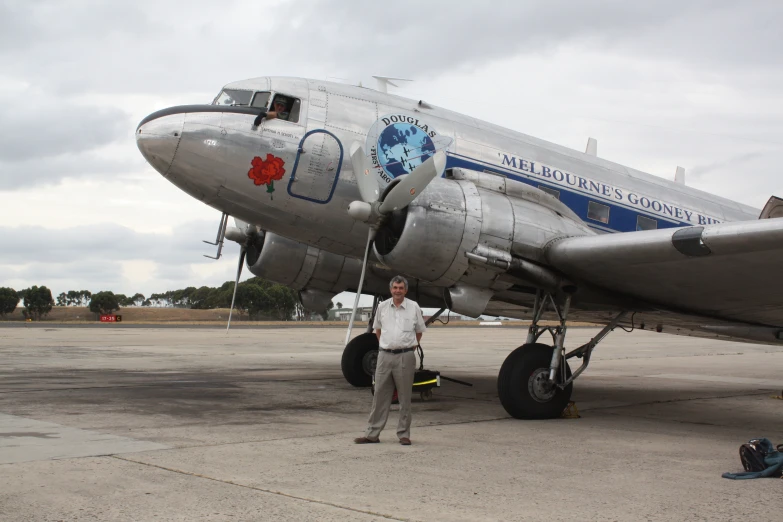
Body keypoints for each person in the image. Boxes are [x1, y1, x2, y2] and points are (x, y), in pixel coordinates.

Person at [354, 275, 426, 446]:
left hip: (405, 356)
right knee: (379, 395)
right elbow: (377, 329)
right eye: (395, 288)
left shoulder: (413, 307)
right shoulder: (383, 307)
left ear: (405, 290)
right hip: (384, 356)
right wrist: (386, 346)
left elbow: (419, 331)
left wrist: (410, 346)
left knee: (404, 397)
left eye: (401, 288)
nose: (398, 291)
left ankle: (404, 434)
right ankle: (372, 434)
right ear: (391, 289)